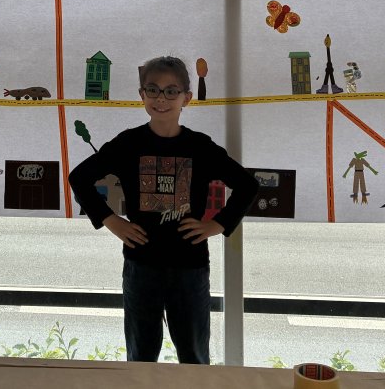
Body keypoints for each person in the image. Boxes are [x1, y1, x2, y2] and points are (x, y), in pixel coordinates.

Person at [68, 55, 258, 365]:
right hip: (141, 265)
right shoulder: (128, 143)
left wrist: (216, 224)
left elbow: (247, 186)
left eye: (171, 91)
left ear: (187, 98)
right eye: (153, 90)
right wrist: (112, 221)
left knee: (194, 356)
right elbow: (79, 178)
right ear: (141, 95)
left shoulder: (200, 147)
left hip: (190, 267)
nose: (161, 98)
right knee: (141, 355)